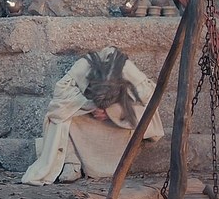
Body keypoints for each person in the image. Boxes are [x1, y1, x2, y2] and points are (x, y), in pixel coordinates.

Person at [21, 46, 164, 185]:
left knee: (143, 113)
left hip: (116, 121)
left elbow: (150, 98)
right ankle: (72, 161)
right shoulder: (84, 66)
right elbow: (60, 94)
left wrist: (112, 111)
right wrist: (90, 106)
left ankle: (114, 163)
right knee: (60, 113)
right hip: (87, 115)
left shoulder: (127, 69)